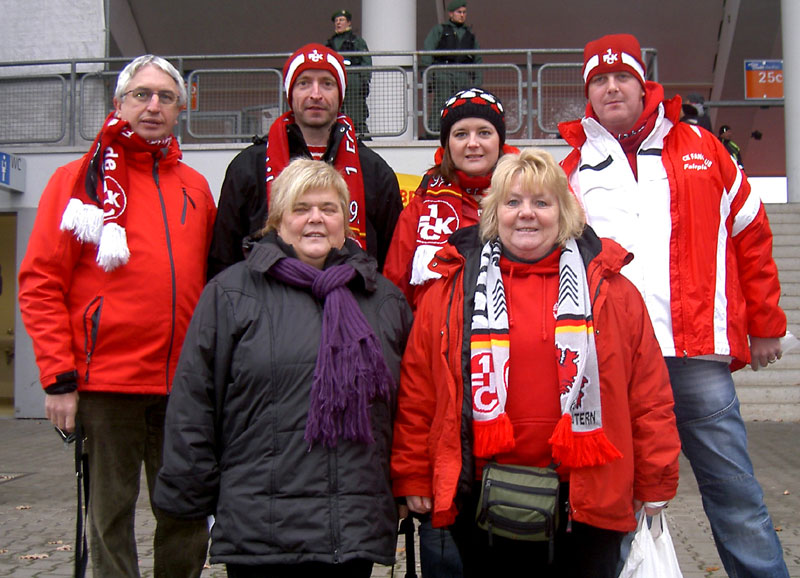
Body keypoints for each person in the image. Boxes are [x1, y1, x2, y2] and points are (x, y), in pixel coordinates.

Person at [559, 33, 789, 577]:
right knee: (612, 502)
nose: (611, 88)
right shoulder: (572, 168)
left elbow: (751, 231)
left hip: (696, 357)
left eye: (622, 78)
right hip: (613, 359)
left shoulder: (701, 147)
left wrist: (766, 323)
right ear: (588, 92)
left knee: (736, 497)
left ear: (644, 85)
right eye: (599, 80)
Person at [391, 148, 681, 577]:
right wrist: (414, 475)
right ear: (494, 212)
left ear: (564, 212)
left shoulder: (614, 292)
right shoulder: (448, 291)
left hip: (586, 498)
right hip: (482, 498)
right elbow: (420, 391)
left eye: (541, 202)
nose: (526, 214)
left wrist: (656, 478)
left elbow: (649, 394)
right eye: (512, 202)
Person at [153, 158, 413, 578]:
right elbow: (194, 403)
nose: (315, 219)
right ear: (277, 220)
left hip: (350, 528)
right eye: (300, 208)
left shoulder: (383, 300)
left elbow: (408, 408)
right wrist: (190, 494)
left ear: (345, 221)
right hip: (259, 528)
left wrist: (408, 484)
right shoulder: (231, 293)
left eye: (328, 209)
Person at [17, 54, 215, 577]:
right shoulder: (75, 181)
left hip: (181, 389)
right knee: (110, 516)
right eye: (141, 95)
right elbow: (41, 283)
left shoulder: (195, 186)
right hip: (107, 385)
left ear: (181, 109)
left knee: (185, 511)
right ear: (119, 103)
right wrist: (58, 378)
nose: (153, 106)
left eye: (165, 97)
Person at [208, 42, 402, 279]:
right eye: (304, 83)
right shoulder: (248, 166)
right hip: (268, 310)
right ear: (290, 93)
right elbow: (224, 258)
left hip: (352, 305)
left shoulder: (375, 171)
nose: (316, 94)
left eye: (327, 84)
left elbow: (393, 261)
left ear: (340, 94)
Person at [385, 87, 517, 311]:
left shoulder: (527, 199)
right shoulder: (421, 205)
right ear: (447, 144)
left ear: (499, 141)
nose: (472, 143)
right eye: (461, 134)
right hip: (433, 342)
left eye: (484, 132)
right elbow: (394, 290)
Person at [422, 1, 482, 134]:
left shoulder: (469, 34)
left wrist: (477, 82)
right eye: (459, 12)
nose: (462, 15)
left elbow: (478, 59)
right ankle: (434, 132)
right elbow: (427, 51)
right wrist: (428, 75)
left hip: (463, 74)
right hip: (443, 72)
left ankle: (459, 132)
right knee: (441, 103)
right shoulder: (440, 30)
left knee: (462, 105)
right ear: (451, 13)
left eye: (464, 12)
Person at [326, 9, 372, 137]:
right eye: (336, 21)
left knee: (356, 110)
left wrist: (364, 80)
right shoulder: (330, 43)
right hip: (335, 80)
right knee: (334, 109)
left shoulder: (356, 41)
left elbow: (365, 61)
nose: (338, 23)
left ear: (349, 23)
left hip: (353, 79)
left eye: (341, 20)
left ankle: (360, 135)